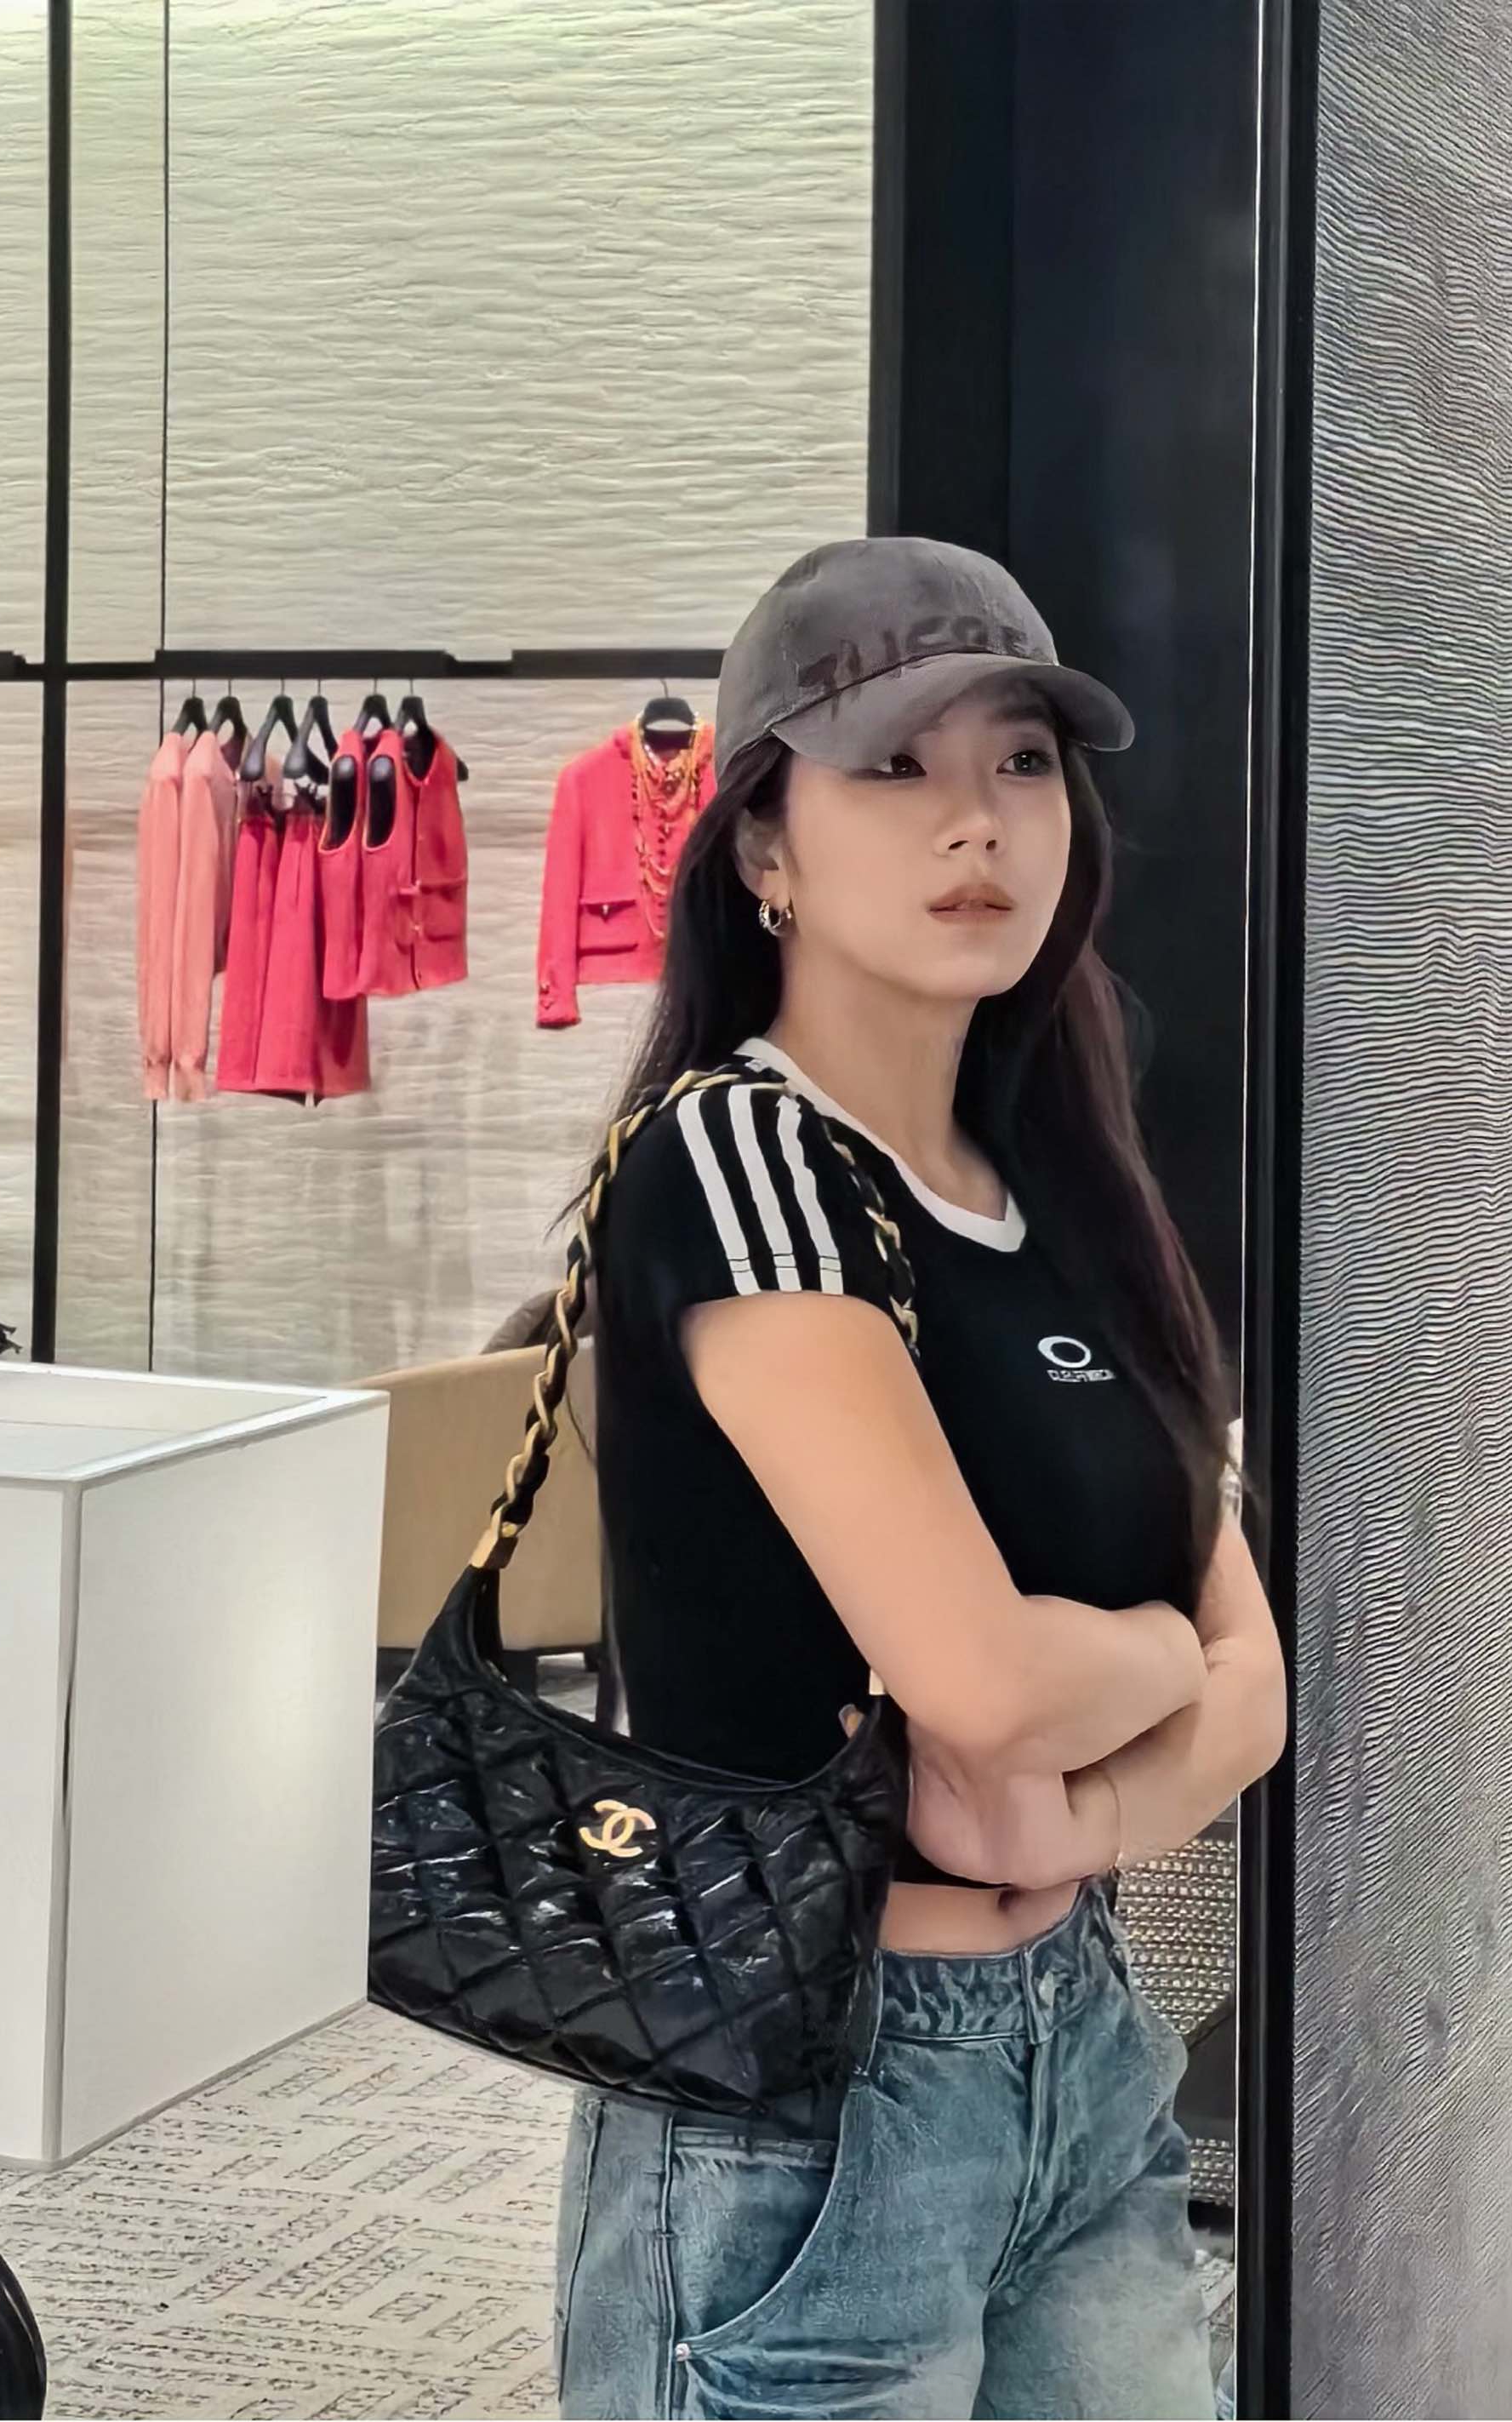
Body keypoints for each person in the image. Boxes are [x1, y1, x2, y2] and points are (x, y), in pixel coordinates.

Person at [552, 539, 1287, 2422]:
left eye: (1021, 760)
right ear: (763, 845)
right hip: (803, 2093)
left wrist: (1063, 1812)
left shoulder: (1065, 1182)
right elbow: (992, 1680)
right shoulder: (740, 1158)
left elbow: (1261, 1692)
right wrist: (1149, 1667)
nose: (977, 819)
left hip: (1079, 2042)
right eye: (893, 766)